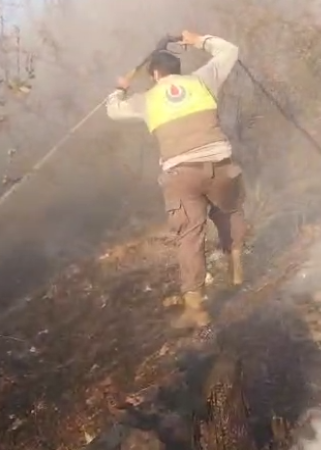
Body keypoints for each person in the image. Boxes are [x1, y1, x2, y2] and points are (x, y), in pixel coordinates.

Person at [105, 30, 247, 329]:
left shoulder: (146, 100)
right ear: (177, 70)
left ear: (155, 74)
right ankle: (237, 271)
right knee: (229, 210)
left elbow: (113, 111)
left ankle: (196, 307)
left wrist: (120, 88)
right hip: (220, 163)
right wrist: (196, 39)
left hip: (181, 175)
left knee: (189, 236)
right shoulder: (202, 80)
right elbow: (230, 50)